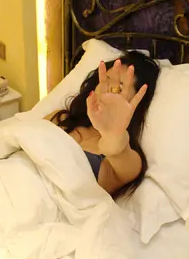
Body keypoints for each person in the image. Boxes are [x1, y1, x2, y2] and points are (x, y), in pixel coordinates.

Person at [48, 51, 160, 198]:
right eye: (106, 80)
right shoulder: (60, 118)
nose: (106, 92)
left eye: (118, 88)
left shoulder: (126, 162)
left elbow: (115, 147)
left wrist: (112, 132)